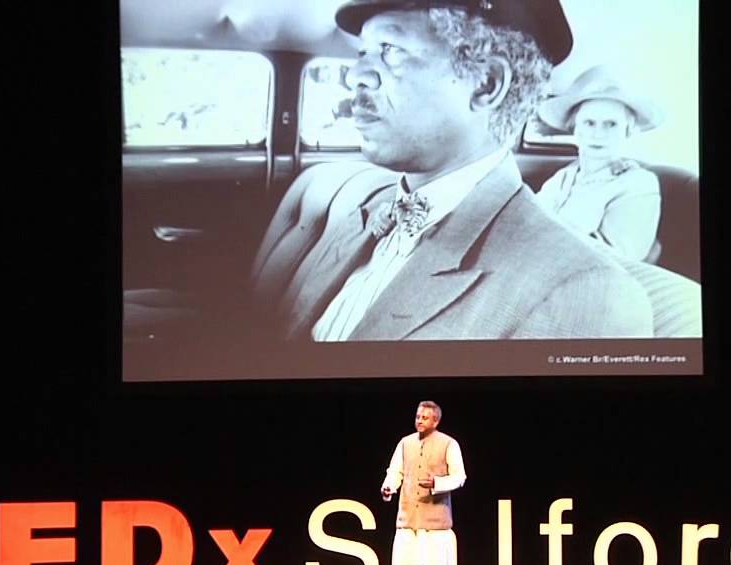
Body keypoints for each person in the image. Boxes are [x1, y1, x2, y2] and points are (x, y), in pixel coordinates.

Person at [250, 0, 653, 341]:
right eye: (362, 53)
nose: (354, 74)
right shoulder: (366, 209)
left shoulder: (587, 293)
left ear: (486, 84)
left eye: (390, 49)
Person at [534, 65, 665, 263]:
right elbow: (528, 222)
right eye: (589, 123)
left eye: (611, 124)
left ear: (627, 131)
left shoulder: (639, 184)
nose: (598, 134)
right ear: (574, 129)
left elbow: (620, 262)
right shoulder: (562, 177)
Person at [380, 401, 465, 565]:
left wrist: (437, 482)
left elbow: (459, 477)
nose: (419, 420)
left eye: (425, 417)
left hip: (435, 518)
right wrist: (389, 487)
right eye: (418, 416)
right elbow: (395, 471)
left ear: (435, 421)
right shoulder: (405, 443)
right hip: (408, 515)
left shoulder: (449, 444)